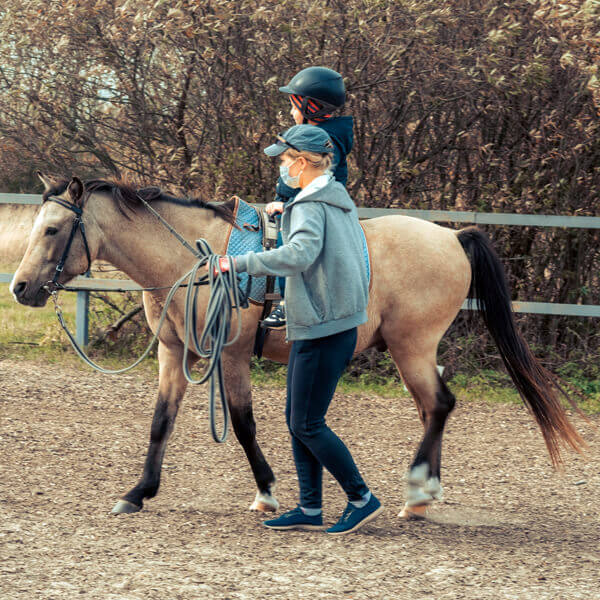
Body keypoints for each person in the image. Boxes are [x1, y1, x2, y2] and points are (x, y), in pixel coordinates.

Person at [220, 124, 383, 535]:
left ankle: (362, 498)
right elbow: (311, 228)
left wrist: (237, 263)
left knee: (307, 423)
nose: (282, 166)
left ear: (305, 163)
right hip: (328, 322)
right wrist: (285, 210)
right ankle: (310, 508)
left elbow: (300, 255)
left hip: (322, 326)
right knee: (299, 419)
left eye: (286, 159)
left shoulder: (312, 205)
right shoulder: (330, 198)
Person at [262, 66, 354, 330]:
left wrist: (288, 206)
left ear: (310, 106)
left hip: (316, 207)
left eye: (294, 106)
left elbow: (317, 186)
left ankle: (289, 302)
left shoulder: (325, 141)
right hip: (301, 202)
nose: (291, 112)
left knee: (287, 241)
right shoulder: (315, 134)